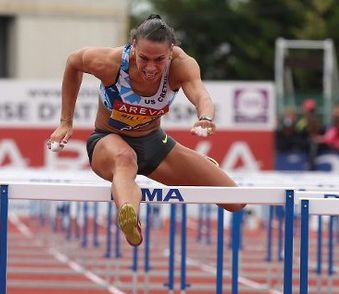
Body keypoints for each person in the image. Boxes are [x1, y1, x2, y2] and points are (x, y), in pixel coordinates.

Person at [48, 14, 244, 246]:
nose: (151, 67)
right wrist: (65, 121)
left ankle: (198, 163)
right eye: (144, 58)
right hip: (107, 142)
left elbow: (201, 94)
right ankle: (130, 219)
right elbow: (73, 62)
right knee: (125, 158)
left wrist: (205, 117)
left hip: (154, 145)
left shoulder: (181, 65)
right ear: (132, 48)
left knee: (235, 201)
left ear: (171, 51)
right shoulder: (109, 63)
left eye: (159, 59)